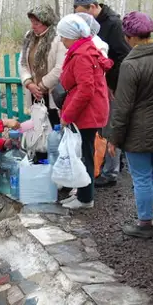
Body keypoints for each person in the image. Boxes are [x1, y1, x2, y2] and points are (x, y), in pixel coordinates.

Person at [107, 12, 153, 238]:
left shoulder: (131, 64)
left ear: (129, 37)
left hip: (138, 130)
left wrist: (114, 137)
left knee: (141, 177)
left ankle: (145, 224)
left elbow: (123, 105)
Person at [73, 0, 131, 188]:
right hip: (100, 82)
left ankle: (111, 171)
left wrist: (113, 84)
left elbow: (123, 55)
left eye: (84, 13)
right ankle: (102, 165)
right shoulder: (93, 23)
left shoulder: (114, 24)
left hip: (110, 83)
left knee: (110, 126)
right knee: (99, 127)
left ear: (93, 7)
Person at [56, 14, 113, 209]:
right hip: (88, 111)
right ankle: (81, 193)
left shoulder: (81, 55)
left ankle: (86, 198)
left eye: (63, 36)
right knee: (81, 153)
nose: (61, 40)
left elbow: (85, 89)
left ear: (72, 36)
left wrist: (67, 116)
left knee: (85, 155)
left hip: (87, 113)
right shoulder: (84, 50)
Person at [18, 4, 66, 129]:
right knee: (37, 126)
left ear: (47, 22)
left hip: (51, 92)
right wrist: (29, 83)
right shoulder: (29, 37)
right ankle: (38, 148)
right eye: (32, 22)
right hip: (34, 92)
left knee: (53, 126)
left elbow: (60, 68)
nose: (33, 26)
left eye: (37, 23)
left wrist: (41, 86)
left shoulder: (59, 38)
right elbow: (22, 62)